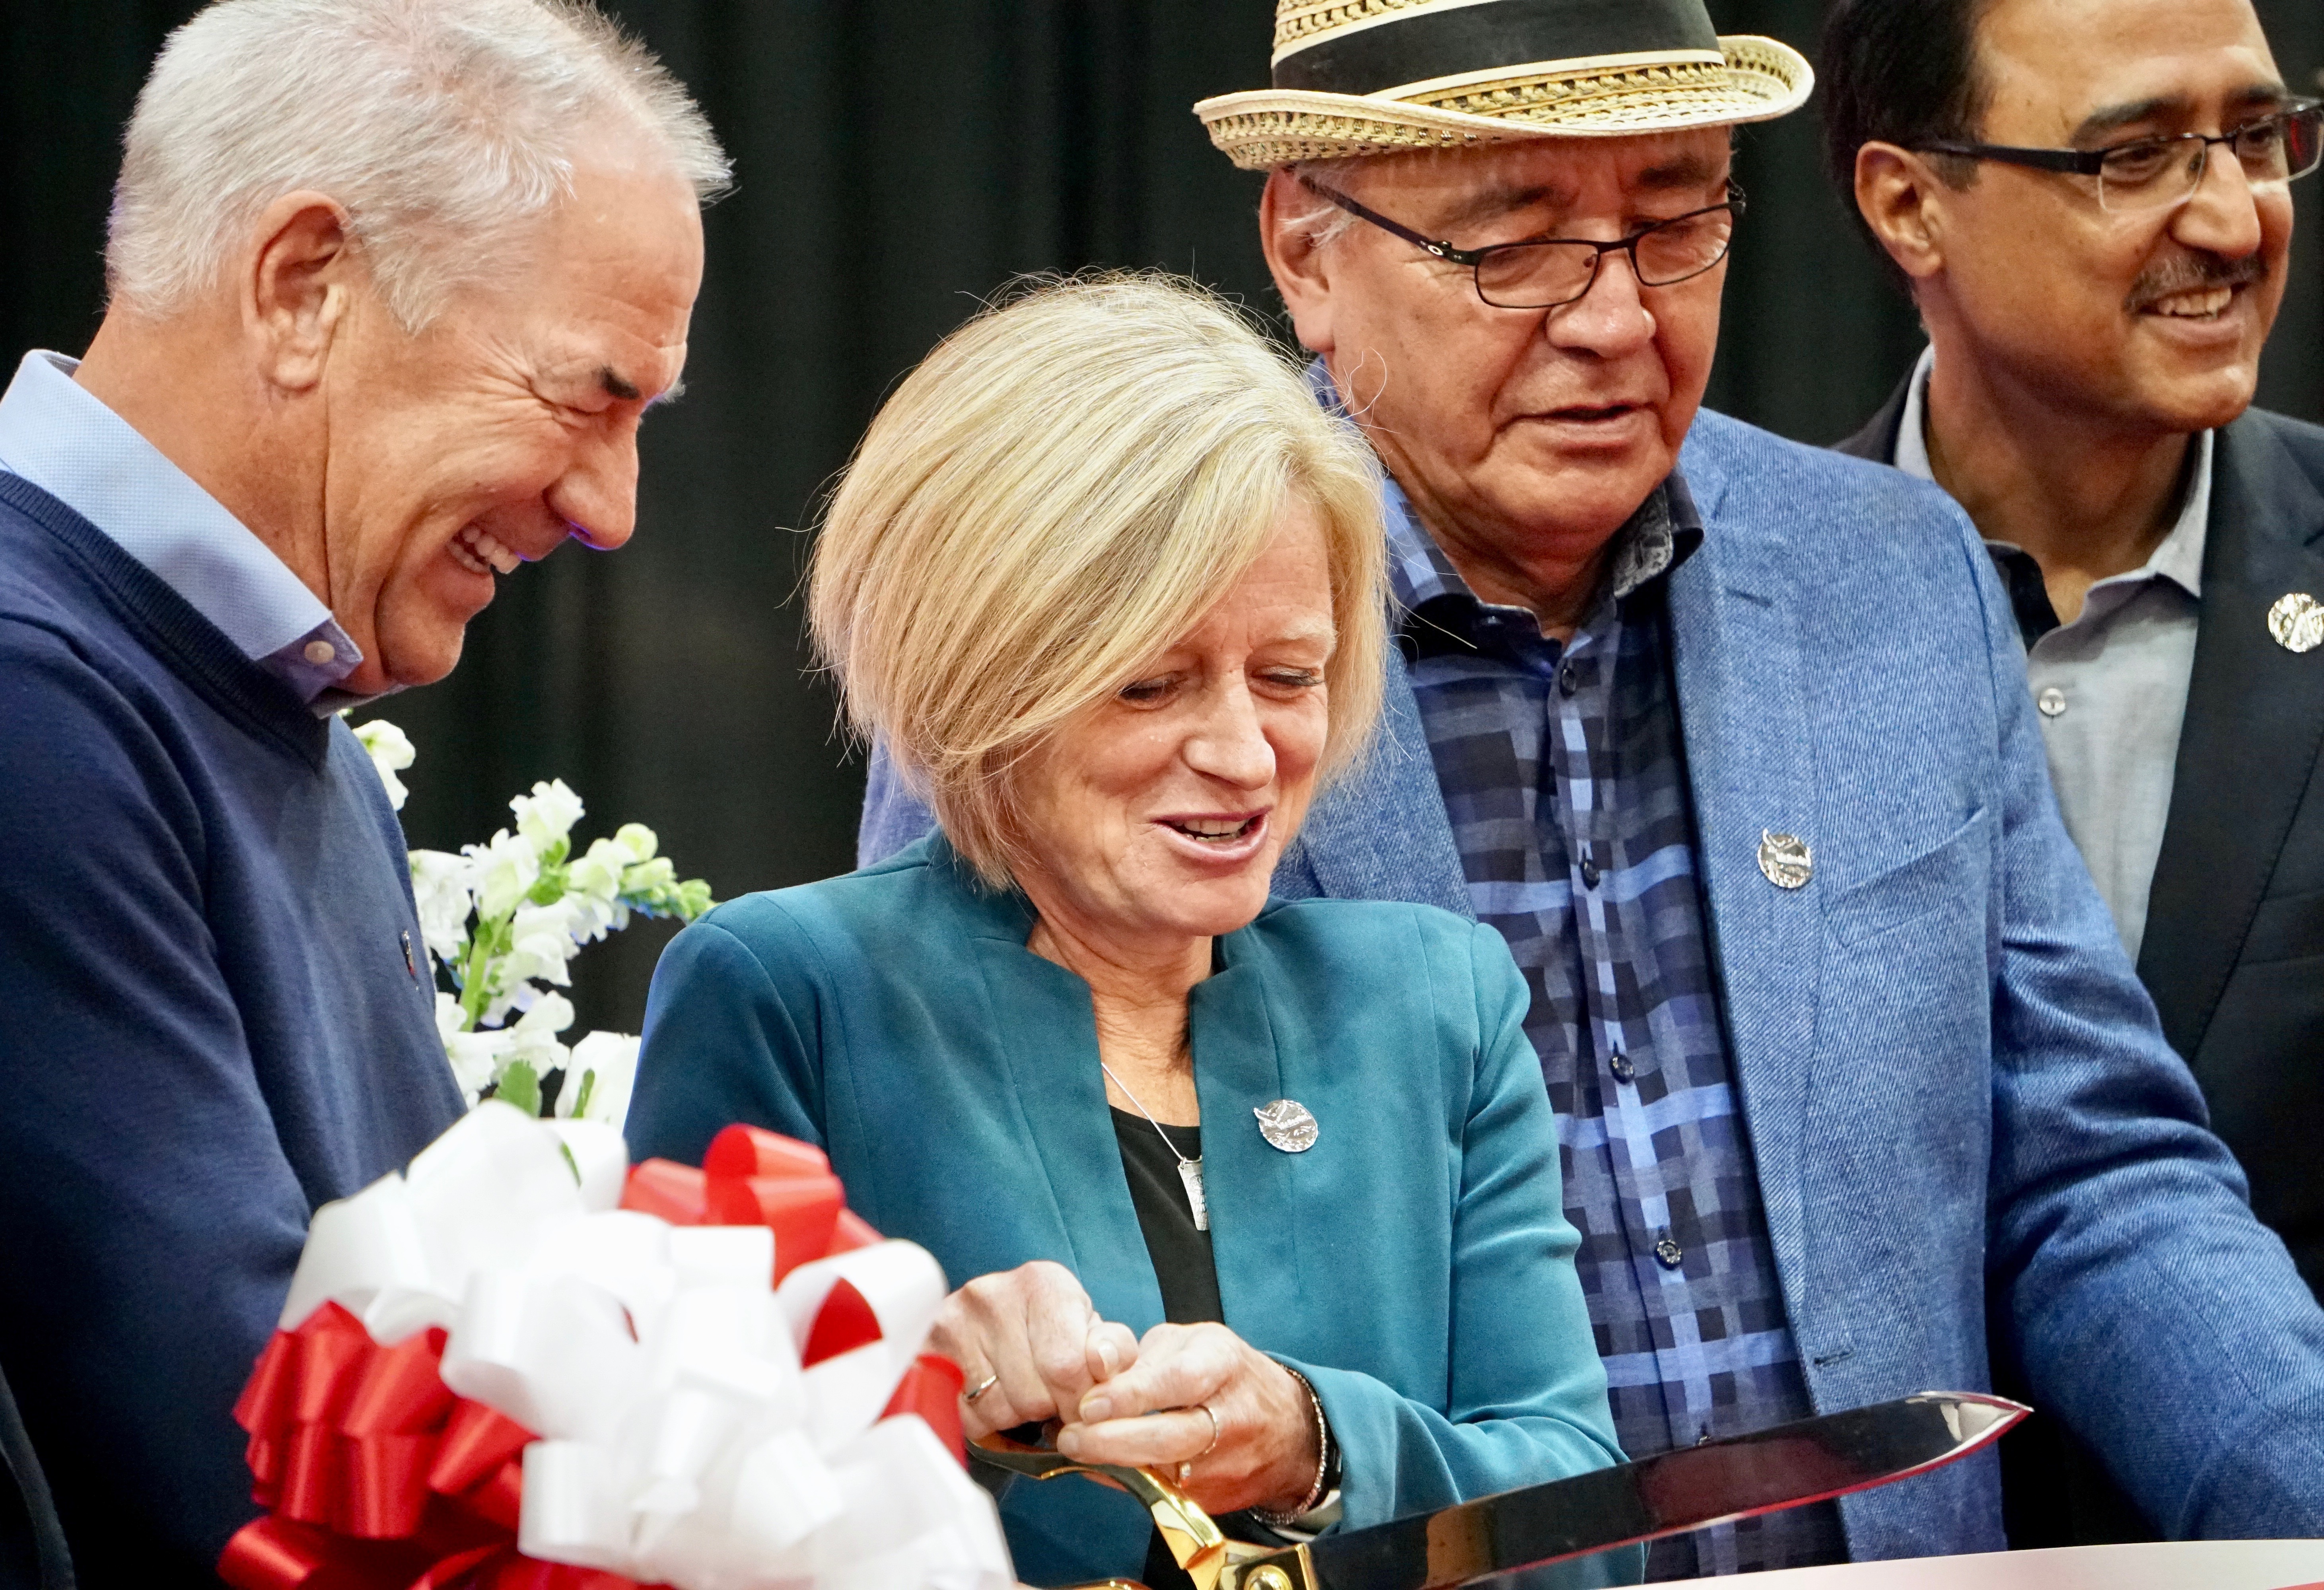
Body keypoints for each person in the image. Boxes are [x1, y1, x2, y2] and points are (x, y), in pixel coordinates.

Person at [861, 0, 2324, 1576]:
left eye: (1676, 221)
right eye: (1519, 245)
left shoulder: (1891, 581)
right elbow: (974, 1247)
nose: (1620, 320)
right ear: (1306, 250)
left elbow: (2096, 1178)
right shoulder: (1093, 636)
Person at [626, 275, 1636, 1590]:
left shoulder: (1434, 1001)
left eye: (1288, 677)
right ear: (978, 679)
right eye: (1149, 684)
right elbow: (657, 1499)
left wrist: (1315, 1445)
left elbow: (1584, 1525)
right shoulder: (789, 994)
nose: (1241, 753)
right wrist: (905, 1372)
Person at [0, 1, 723, 1582]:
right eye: (586, 395)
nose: (608, 509)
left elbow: (420, 1354)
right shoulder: (30, 695)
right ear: (303, 287)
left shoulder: (291, 726)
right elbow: (263, 1454)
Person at [1820, 0, 2324, 1546]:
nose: (2234, 216)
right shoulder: (1747, 625)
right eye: (2135, 156)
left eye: (2261, 134)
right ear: (1911, 203)